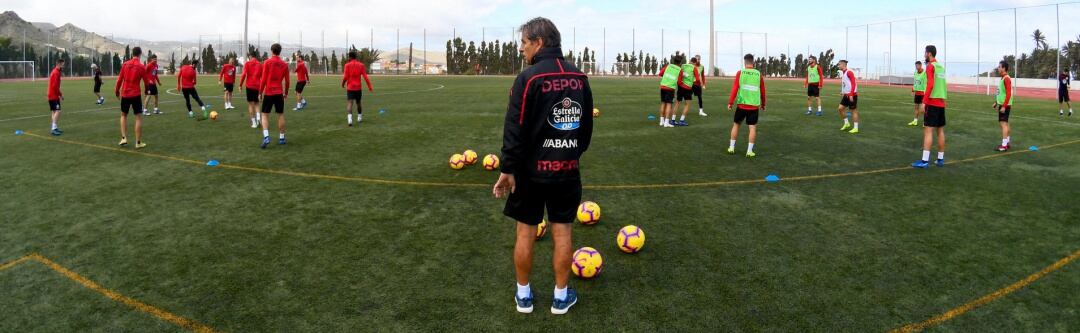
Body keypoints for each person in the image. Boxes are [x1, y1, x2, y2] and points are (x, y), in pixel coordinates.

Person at [493, 17, 592, 316]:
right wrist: (570, 155)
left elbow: (515, 128)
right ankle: (560, 297)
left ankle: (524, 296)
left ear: (539, 42)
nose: (521, 49)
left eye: (523, 43)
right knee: (563, 233)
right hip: (566, 171)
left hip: (530, 173)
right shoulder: (580, 78)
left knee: (525, 233)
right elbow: (585, 129)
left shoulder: (529, 78)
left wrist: (508, 168)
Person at [912, 45, 948, 169]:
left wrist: (924, 101)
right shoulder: (941, 67)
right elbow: (943, 85)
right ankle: (940, 159)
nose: (924, 55)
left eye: (925, 53)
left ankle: (924, 161)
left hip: (932, 103)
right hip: (941, 103)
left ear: (929, 53)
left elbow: (931, 84)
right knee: (940, 131)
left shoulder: (930, 66)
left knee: (928, 131)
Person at [726, 53, 766, 157]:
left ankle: (731, 148)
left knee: (736, 125)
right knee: (752, 128)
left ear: (745, 62)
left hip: (741, 105)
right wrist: (763, 104)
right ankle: (749, 151)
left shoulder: (740, 72)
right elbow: (762, 90)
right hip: (753, 106)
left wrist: (730, 102)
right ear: (753, 62)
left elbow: (735, 88)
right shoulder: (758, 74)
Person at [114, 46, 151, 149]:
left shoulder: (125, 64)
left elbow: (119, 80)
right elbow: (146, 82)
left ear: (132, 54)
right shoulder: (141, 66)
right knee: (138, 117)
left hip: (125, 93)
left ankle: (123, 138)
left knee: (123, 115)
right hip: (135, 94)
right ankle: (138, 142)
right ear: (140, 54)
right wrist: (146, 90)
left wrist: (117, 91)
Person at [258, 43, 290, 148]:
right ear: (279, 51)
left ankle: (266, 136)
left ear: (272, 51)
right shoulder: (284, 64)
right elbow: (288, 81)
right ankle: (281, 138)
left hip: (269, 92)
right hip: (279, 92)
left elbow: (263, 79)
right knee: (280, 114)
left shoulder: (267, 62)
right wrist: (286, 93)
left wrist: (260, 92)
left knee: (264, 115)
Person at [341, 50, 373, 126]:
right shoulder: (361, 65)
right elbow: (365, 77)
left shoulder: (347, 65)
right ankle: (359, 117)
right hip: (358, 88)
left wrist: (342, 84)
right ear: (356, 57)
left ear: (350, 57)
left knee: (350, 103)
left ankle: (350, 120)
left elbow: (345, 77)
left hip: (350, 88)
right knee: (358, 103)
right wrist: (370, 87)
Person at [993, 61, 1013, 152]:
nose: (998, 68)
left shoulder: (1006, 78)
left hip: (1005, 105)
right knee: (1006, 123)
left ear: (1004, 68)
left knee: (1003, 124)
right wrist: (996, 102)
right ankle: (1007, 143)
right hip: (1003, 104)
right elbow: (1001, 93)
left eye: (999, 66)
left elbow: (1009, 93)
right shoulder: (1003, 78)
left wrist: (1004, 106)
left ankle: (1004, 145)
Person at [657, 55, 682, 128]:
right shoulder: (680, 70)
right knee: (669, 104)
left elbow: (660, 74)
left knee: (663, 103)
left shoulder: (668, 66)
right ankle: (666, 122)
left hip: (663, 86)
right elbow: (679, 82)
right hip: (670, 88)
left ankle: (661, 121)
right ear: (680, 62)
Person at [239, 52, 263, 128]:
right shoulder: (260, 64)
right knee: (256, 103)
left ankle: (254, 123)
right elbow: (262, 78)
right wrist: (261, 89)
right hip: (257, 86)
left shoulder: (247, 63)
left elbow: (243, 75)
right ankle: (259, 118)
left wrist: (240, 85)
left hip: (249, 86)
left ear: (250, 56)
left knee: (250, 104)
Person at [837, 60, 860, 134]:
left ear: (843, 65)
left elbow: (853, 83)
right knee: (840, 108)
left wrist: (851, 94)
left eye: (839, 64)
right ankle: (847, 123)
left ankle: (856, 128)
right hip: (846, 95)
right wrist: (843, 91)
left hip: (852, 95)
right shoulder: (843, 73)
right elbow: (846, 84)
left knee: (853, 111)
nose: (838, 66)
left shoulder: (849, 72)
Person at [674, 54, 696, 126]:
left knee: (677, 103)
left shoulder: (683, 66)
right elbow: (698, 79)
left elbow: (679, 73)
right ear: (694, 63)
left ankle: (672, 120)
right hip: (687, 88)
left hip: (680, 86)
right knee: (687, 104)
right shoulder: (694, 68)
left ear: (689, 61)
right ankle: (681, 120)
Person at [46, 58, 64, 136]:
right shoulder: (56, 72)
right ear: (59, 64)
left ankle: (55, 127)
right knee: (58, 111)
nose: (64, 65)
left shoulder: (56, 71)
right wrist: (61, 94)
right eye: (63, 64)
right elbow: (55, 86)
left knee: (54, 111)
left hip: (52, 94)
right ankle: (53, 128)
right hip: (53, 95)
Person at [909, 61, 926, 126]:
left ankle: (925, 122)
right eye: (916, 66)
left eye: (917, 65)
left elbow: (927, 83)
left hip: (923, 93)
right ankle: (915, 121)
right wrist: (913, 90)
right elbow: (915, 82)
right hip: (917, 94)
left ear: (921, 65)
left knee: (923, 110)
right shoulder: (915, 73)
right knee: (916, 108)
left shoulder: (925, 73)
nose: (916, 67)